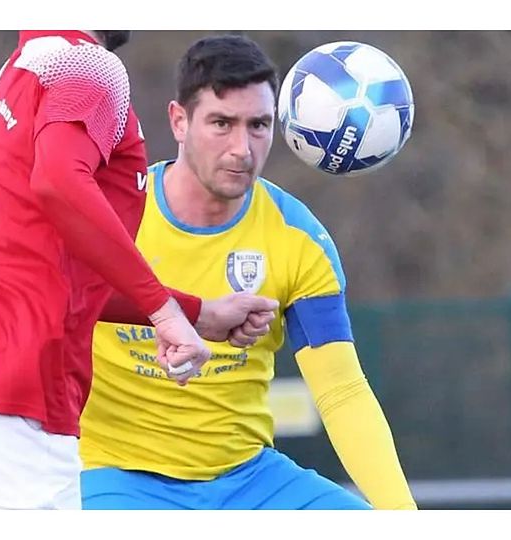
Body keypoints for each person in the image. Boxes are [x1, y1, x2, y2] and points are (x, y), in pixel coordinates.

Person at [0, 30, 277, 510]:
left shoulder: (21, 68)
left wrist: (195, 313)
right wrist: (164, 313)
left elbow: (61, 272)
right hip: (12, 395)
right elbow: (59, 181)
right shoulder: (89, 65)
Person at [79, 34, 417, 510]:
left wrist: (403, 515)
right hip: (116, 478)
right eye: (222, 123)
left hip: (251, 481)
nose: (242, 147)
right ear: (179, 120)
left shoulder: (299, 239)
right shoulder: (111, 216)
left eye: (258, 125)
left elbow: (341, 391)